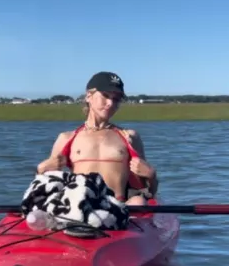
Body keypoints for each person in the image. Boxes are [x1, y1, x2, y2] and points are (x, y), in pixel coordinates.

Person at [35, 71, 158, 204]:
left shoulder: (129, 137)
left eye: (116, 99)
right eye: (105, 96)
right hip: (80, 205)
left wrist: (151, 176)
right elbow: (47, 186)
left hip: (117, 208)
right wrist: (41, 170)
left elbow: (150, 192)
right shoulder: (67, 138)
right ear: (89, 96)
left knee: (138, 201)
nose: (110, 103)